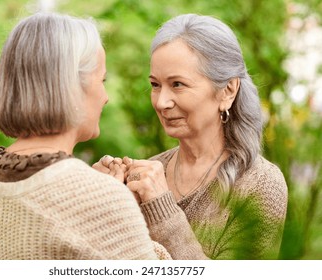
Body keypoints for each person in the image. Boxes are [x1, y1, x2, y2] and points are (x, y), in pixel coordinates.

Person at [0, 12, 169, 260]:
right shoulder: (99, 197)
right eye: (102, 79)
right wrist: (114, 203)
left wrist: (106, 199)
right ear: (71, 85)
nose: (106, 96)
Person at [94, 14, 288, 260]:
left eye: (177, 84)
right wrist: (106, 201)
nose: (162, 102)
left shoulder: (261, 185)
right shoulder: (150, 175)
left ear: (228, 90)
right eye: (155, 85)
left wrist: (160, 209)